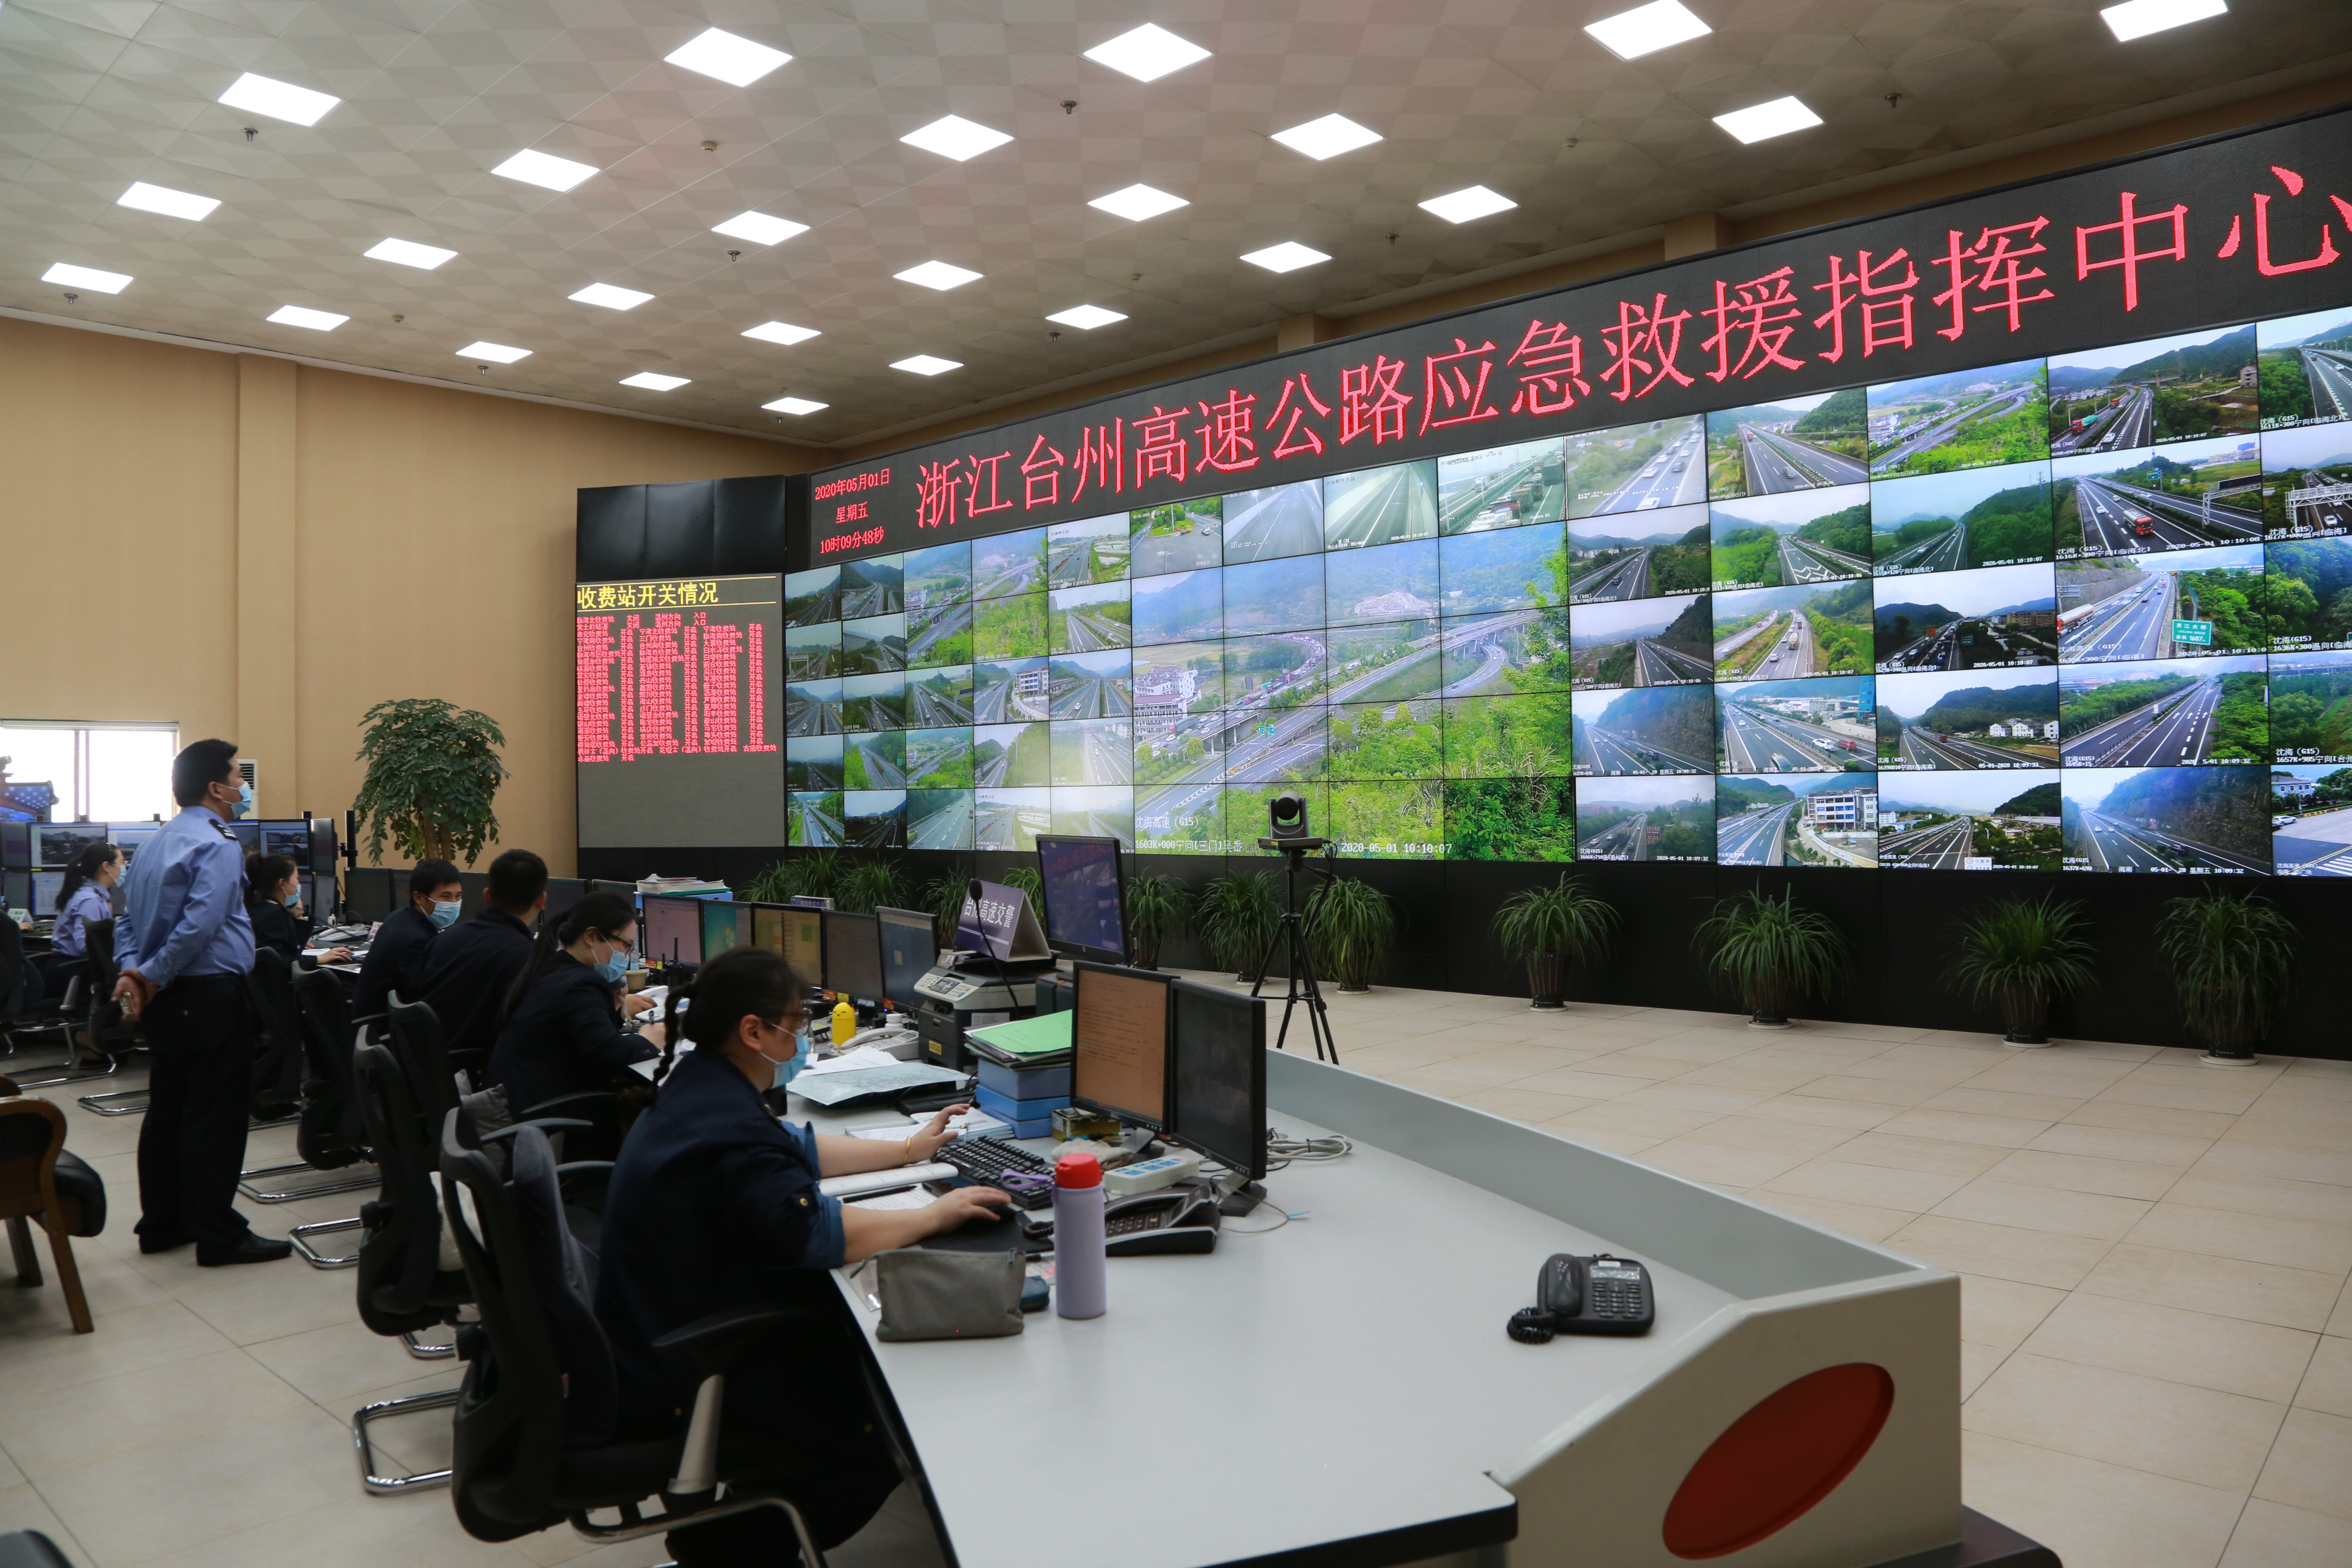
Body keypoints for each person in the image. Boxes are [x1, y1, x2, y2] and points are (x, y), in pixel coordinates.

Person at [595, 947, 1006, 1568]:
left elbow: (796, 1147)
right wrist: (933, 1216)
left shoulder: (703, 1086)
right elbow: (813, 1234)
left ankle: (733, 1535)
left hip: (658, 1330)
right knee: (885, 1409)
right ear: (753, 1031)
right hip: (690, 1361)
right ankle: (738, 1548)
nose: (801, 1036)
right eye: (795, 1022)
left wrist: (908, 1151)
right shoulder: (728, 1128)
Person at [112, 738, 290, 1266]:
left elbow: (125, 922)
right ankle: (219, 1236)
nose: (244, 787)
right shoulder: (218, 844)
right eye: (238, 778)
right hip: (206, 994)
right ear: (216, 789)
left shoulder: (155, 843)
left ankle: (163, 1223)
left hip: (167, 999)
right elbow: (201, 925)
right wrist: (152, 975)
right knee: (215, 1116)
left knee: (168, 1110)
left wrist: (134, 972)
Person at [484, 890, 662, 1127]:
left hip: (514, 1103)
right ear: (591, 936)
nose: (626, 956)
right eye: (625, 945)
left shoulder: (552, 967)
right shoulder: (581, 984)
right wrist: (648, 1041)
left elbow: (575, 1031)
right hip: (537, 1119)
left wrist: (615, 1012)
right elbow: (609, 1053)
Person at [416, 848, 550, 1075]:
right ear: (541, 900)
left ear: (487, 896)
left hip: (426, 1071)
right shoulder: (529, 960)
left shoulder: (443, 940)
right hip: (475, 1080)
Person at [352, 858, 462, 1018]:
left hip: (371, 1021)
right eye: (446, 897)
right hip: (384, 1027)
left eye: (458, 897)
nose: (454, 904)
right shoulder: (417, 941)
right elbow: (424, 998)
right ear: (419, 898)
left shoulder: (400, 917)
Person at [244, 853, 349, 969]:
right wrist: (319, 959)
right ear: (283, 884)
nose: (299, 885)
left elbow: (291, 951)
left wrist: (297, 916)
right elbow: (277, 962)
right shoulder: (274, 916)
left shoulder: (258, 908)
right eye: (297, 879)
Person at [50, 842, 121, 964]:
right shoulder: (90, 900)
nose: (124, 868)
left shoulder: (93, 894)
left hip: (73, 965)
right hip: (75, 969)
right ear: (107, 866)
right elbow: (85, 946)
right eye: (122, 863)